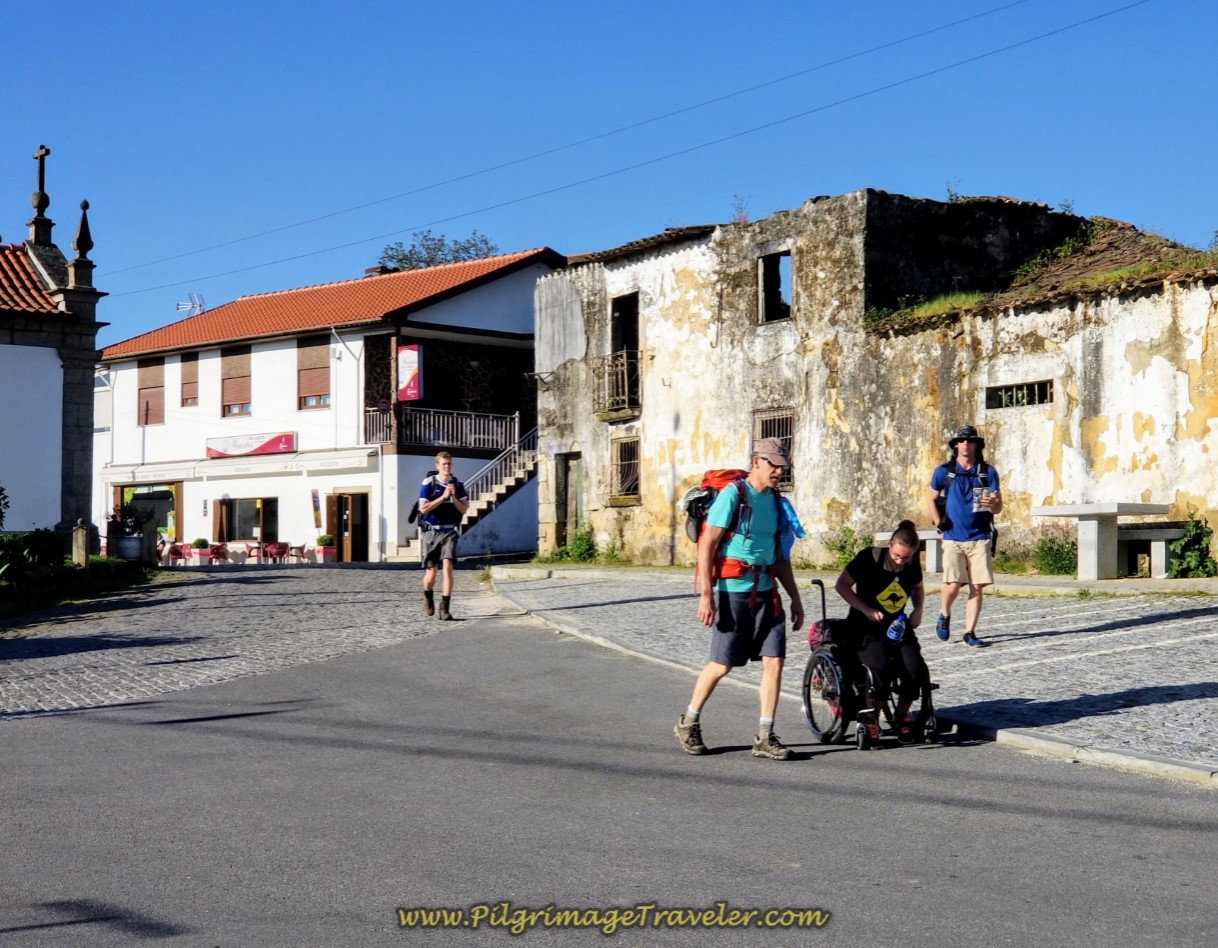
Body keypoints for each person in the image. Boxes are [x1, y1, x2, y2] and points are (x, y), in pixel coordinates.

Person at [674, 438, 805, 760]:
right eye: (772, 464)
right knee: (722, 664)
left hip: (766, 593)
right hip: (733, 593)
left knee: (775, 662)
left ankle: (764, 735)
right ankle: (688, 722)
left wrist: (795, 599)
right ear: (755, 461)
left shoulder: (777, 503)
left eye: (781, 466)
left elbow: (779, 557)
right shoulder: (734, 495)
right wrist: (707, 596)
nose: (777, 471)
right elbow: (707, 545)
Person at [834, 520, 929, 744]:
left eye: (906, 557)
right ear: (890, 546)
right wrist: (865, 609)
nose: (900, 561)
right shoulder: (868, 558)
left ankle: (901, 715)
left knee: (914, 667)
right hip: (864, 626)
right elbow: (842, 585)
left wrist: (918, 610)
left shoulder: (911, 563)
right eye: (897, 556)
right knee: (879, 667)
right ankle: (871, 717)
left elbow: (917, 588)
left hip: (896, 625)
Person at [925, 424, 1002, 647]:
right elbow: (930, 498)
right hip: (952, 536)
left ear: (977, 445)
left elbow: (997, 508)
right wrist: (940, 524)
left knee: (977, 586)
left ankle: (970, 632)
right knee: (953, 585)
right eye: (962, 441)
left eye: (970, 441)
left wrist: (994, 503)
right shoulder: (944, 471)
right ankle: (944, 613)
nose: (966, 444)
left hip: (980, 536)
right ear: (956, 445)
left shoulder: (987, 472)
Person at [417, 452, 469, 620]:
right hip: (432, 531)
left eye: (449, 464)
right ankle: (428, 596)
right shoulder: (429, 483)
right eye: (444, 464)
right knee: (431, 574)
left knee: (448, 568)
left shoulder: (457, 484)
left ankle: (445, 607)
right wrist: (443, 497)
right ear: (437, 466)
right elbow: (423, 509)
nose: (447, 467)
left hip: (450, 531)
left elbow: (463, 509)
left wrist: (453, 496)